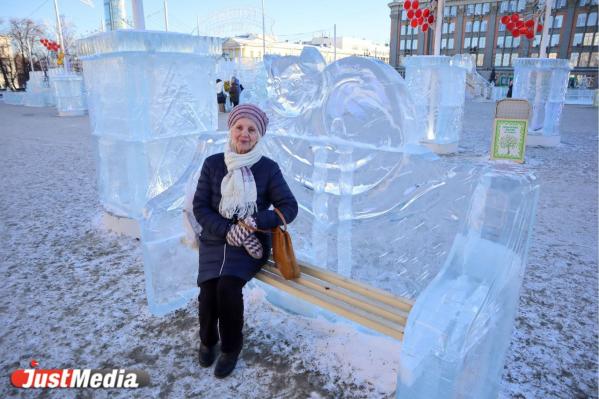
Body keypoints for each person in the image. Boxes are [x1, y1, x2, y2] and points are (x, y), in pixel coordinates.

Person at [192, 104, 298, 378]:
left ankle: (230, 348)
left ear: (259, 135)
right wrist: (226, 230)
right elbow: (200, 206)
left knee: (227, 288)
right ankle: (208, 341)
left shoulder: (268, 168)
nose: (245, 134)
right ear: (231, 130)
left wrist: (255, 221)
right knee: (207, 292)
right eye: (240, 127)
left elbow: (289, 207)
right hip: (216, 239)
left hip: (250, 244)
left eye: (252, 130)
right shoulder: (214, 164)